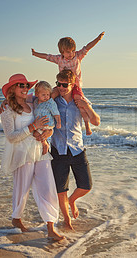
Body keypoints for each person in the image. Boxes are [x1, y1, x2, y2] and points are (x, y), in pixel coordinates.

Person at [0, 73, 64, 241]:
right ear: (13, 89)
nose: (25, 88)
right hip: (22, 154)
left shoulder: (32, 102)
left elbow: (47, 105)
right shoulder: (7, 110)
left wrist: (48, 132)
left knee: (48, 187)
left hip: (41, 151)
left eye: (26, 85)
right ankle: (16, 218)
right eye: (21, 85)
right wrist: (32, 127)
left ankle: (51, 225)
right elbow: (11, 137)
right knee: (22, 189)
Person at [51, 69, 100, 230]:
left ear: (72, 85)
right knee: (60, 190)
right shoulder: (53, 101)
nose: (61, 87)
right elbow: (34, 101)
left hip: (77, 149)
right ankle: (67, 220)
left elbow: (96, 121)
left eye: (65, 85)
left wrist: (87, 106)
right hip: (58, 151)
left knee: (86, 185)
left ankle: (72, 201)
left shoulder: (80, 101)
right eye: (58, 84)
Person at [31, 31, 105, 136]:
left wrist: (98, 38)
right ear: (62, 52)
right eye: (68, 52)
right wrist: (35, 54)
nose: (71, 54)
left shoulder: (78, 56)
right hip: (62, 82)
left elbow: (88, 47)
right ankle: (44, 121)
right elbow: (47, 56)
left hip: (76, 86)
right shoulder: (59, 59)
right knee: (49, 95)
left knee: (79, 103)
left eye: (72, 51)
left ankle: (87, 126)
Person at [33, 81, 61, 155]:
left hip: (47, 125)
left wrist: (58, 122)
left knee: (43, 135)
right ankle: (43, 144)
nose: (46, 97)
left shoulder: (50, 102)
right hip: (38, 125)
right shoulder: (35, 102)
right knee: (35, 134)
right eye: (43, 95)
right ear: (37, 94)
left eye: (48, 94)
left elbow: (56, 113)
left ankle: (45, 144)